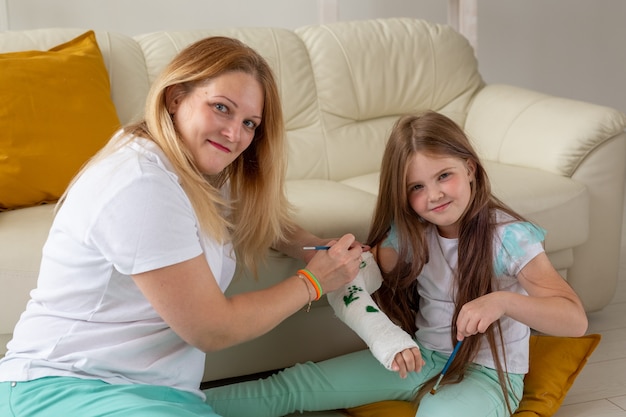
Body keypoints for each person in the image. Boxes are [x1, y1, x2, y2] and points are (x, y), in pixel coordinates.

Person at [0, 36, 365, 417]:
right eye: (221, 108)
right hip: (62, 387)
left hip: (153, 394)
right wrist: (314, 280)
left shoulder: (189, 166)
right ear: (175, 97)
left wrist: (312, 246)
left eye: (250, 124)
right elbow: (212, 328)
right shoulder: (141, 183)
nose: (235, 134)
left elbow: (250, 214)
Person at [204, 111, 588, 417]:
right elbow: (359, 276)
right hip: (421, 359)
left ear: (470, 169)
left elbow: (574, 320)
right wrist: (350, 258)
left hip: (488, 376)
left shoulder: (508, 237)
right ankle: (176, 407)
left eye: (444, 176)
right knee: (293, 386)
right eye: (416, 187)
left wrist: (502, 302)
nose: (434, 195)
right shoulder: (409, 234)